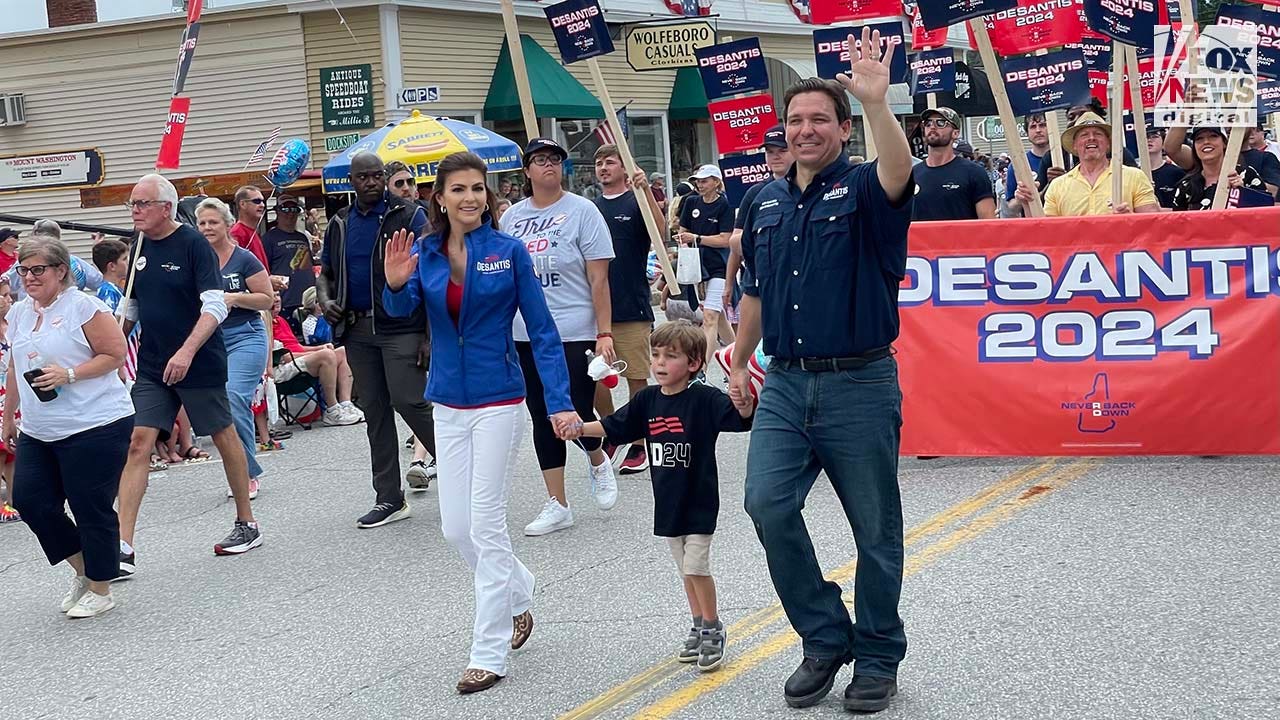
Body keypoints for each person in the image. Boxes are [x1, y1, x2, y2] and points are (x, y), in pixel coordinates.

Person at [731, 30, 914, 712]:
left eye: (819, 120)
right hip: (783, 381)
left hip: (859, 383)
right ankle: (824, 636)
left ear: (841, 129)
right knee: (766, 505)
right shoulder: (763, 202)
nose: (805, 130)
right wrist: (740, 362)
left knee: (875, 531)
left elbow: (897, 170)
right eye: (796, 120)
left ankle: (877, 655)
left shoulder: (867, 187)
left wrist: (876, 102)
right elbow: (756, 290)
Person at [382, 151, 580, 694]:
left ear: (487, 195)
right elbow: (398, 318)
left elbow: (542, 331)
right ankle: (518, 591)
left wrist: (559, 401)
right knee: (455, 528)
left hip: (498, 400)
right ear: (439, 197)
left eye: (478, 188)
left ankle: (488, 651)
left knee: (487, 524)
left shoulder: (508, 252)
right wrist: (395, 285)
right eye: (458, 189)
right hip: (447, 399)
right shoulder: (422, 252)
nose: (469, 198)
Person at [567, 320, 753, 672]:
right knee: (685, 570)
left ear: (694, 364)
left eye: (671, 356)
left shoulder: (704, 399)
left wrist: (743, 402)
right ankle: (697, 624)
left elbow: (740, 418)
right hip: (667, 500)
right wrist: (577, 428)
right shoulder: (647, 400)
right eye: (655, 355)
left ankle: (713, 628)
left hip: (698, 499)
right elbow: (613, 426)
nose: (660, 363)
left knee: (697, 566)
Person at [116, 173, 262, 574]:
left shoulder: (194, 244)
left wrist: (186, 351)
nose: (135, 211)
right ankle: (123, 544)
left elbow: (215, 306)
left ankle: (246, 522)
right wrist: (112, 349)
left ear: (166, 207)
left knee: (222, 432)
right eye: (132, 204)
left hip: (197, 359)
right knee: (137, 442)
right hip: (153, 364)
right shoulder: (138, 245)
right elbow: (131, 308)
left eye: (142, 203)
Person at [2, 231, 134, 617]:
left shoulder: (85, 307)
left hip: (95, 421)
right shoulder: (20, 312)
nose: (29, 277)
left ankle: (101, 588)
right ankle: (84, 569)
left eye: (38, 269)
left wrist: (70, 374)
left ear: (61, 270)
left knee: (89, 505)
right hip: (40, 428)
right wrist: (10, 415)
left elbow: (115, 354)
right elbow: (16, 364)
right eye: (23, 269)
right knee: (30, 500)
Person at [500, 138, 619, 535]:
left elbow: (598, 278)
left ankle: (598, 458)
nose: (548, 166)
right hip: (526, 331)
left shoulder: (583, 211)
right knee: (541, 414)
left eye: (554, 160)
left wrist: (603, 331)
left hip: (573, 326)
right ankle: (558, 502)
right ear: (527, 171)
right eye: (540, 160)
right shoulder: (512, 218)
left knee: (574, 409)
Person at [315, 151, 439, 527]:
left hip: (402, 325)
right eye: (361, 177)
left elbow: (431, 275)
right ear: (351, 181)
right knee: (375, 413)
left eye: (374, 176)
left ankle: (460, 472)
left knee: (411, 402)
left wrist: (429, 336)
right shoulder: (340, 222)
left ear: (383, 178)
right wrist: (325, 299)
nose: (369, 182)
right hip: (357, 330)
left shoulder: (410, 214)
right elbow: (326, 273)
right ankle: (389, 498)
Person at [591, 144, 663, 474]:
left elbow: (661, 235)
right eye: (599, 163)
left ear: (623, 168)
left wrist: (646, 192)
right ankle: (613, 430)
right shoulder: (589, 208)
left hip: (630, 305)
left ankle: (639, 443)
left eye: (610, 162)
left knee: (635, 378)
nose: (604, 167)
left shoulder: (635, 202)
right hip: (592, 310)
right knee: (593, 379)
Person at [197, 198, 275, 500]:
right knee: (219, 407)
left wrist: (235, 297)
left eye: (213, 222)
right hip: (210, 342)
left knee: (233, 398)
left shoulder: (244, 260)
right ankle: (239, 468)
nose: (206, 228)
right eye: (202, 223)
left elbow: (266, 299)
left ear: (228, 225)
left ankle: (247, 473)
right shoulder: (196, 262)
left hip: (245, 335)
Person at [724, 124, 793, 349]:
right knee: (757, 351)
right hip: (759, 284)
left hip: (799, 283)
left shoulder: (811, 186)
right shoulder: (757, 193)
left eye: (781, 150)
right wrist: (728, 285)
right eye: (770, 152)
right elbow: (735, 240)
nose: (775, 157)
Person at [1015, 113, 1161, 216]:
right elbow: (1045, 233)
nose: (1091, 138)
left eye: (1098, 134)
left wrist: (1131, 218)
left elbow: (1153, 225)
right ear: (1074, 146)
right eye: (1084, 135)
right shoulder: (1058, 186)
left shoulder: (1134, 176)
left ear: (1108, 144)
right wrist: (1028, 203)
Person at [269, 292, 362, 425]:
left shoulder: (281, 320)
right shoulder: (265, 324)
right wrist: (318, 353)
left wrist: (320, 348)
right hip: (281, 368)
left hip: (297, 360)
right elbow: (284, 357)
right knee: (327, 355)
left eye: (277, 295)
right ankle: (332, 410)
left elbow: (298, 347)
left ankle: (346, 404)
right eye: (272, 296)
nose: (277, 299)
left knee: (341, 351)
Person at [676, 165, 735, 371]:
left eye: (704, 181)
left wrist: (698, 238)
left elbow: (726, 239)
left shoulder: (725, 206)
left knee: (710, 317)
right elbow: (682, 230)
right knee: (719, 319)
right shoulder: (690, 202)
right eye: (698, 181)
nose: (700, 185)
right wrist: (683, 241)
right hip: (696, 266)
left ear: (716, 182)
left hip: (719, 266)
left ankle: (702, 369)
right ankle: (737, 359)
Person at [911, 107, 996, 221]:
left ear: (955, 133)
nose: (932, 126)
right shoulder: (912, 174)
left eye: (941, 123)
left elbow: (988, 223)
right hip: (921, 239)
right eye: (928, 123)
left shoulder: (974, 173)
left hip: (962, 238)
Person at [1165, 123, 1280, 197]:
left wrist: (1243, 192)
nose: (1206, 142)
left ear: (1224, 143)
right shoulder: (1187, 186)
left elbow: (1264, 209)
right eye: (1199, 139)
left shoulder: (1247, 175)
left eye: (1213, 136)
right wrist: (1188, 109)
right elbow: (1179, 225)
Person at [262, 194, 318, 318]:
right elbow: (264, 271)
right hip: (285, 301)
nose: (290, 214)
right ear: (277, 212)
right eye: (285, 209)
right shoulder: (269, 238)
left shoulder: (302, 237)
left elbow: (308, 264)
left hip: (308, 300)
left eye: (294, 209)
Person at [1006, 114, 1051, 217]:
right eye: (1033, 126)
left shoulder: (1065, 158)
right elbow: (1011, 207)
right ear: (1027, 132)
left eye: (1043, 125)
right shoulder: (1017, 165)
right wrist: (1020, 199)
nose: (1038, 130)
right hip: (1032, 223)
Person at [230, 185, 272, 271]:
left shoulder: (252, 231)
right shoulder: (237, 233)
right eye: (257, 201)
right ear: (242, 204)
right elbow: (237, 270)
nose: (262, 205)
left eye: (263, 201)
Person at [1148, 128, 1184, 209]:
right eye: (1146, 136)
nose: (1149, 140)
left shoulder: (1177, 173)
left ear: (1164, 141)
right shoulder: (1135, 174)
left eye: (1154, 136)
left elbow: (1185, 209)